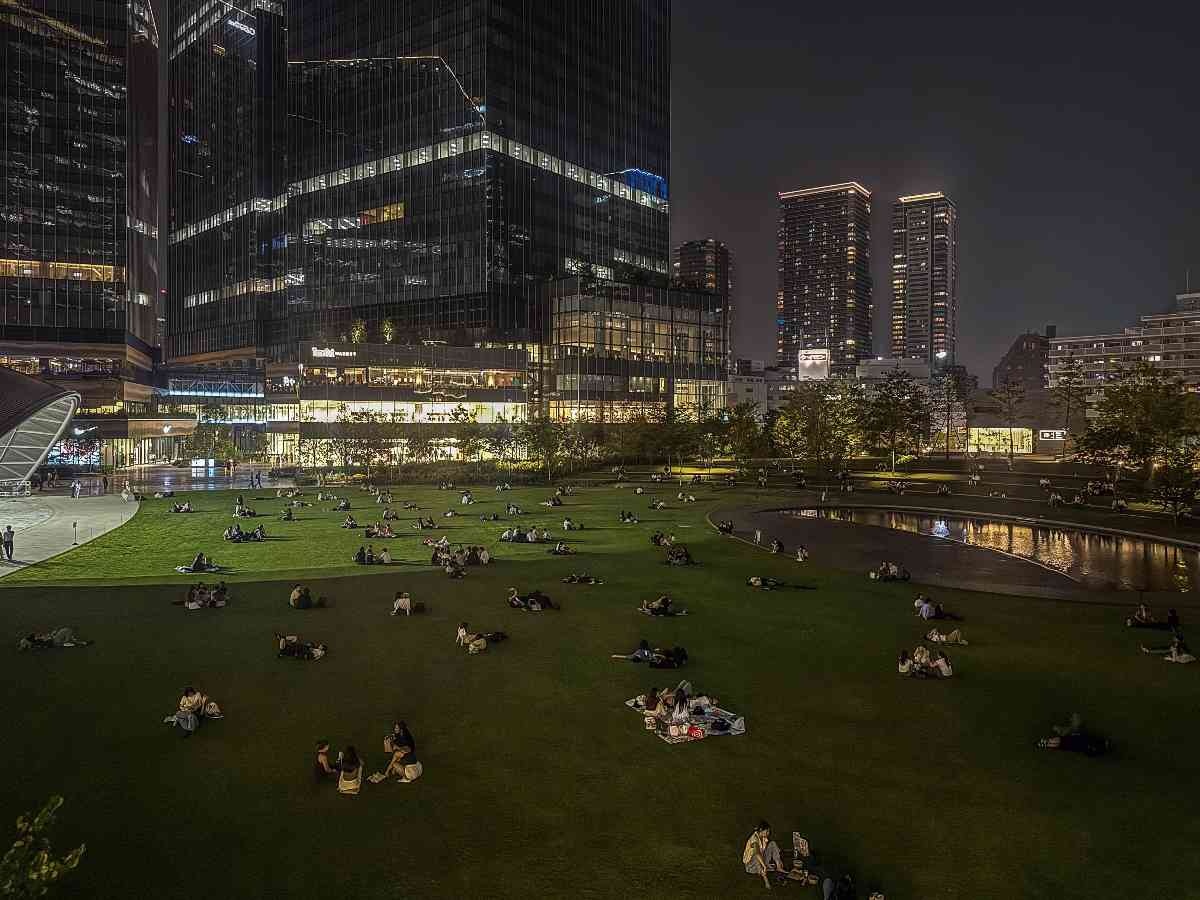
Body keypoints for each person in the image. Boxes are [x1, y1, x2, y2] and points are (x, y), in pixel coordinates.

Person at [742, 821, 783, 888]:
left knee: (772, 843)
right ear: (761, 830)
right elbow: (757, 853)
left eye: (769, 831)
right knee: (756, 856)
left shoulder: (763, 837)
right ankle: (765, 879)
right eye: (767, 831)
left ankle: (779, 867)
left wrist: (778, 860)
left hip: (761, 859)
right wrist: (764, 866)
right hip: (751, 865)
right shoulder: (754, 839)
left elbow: (763, 851)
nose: (768, 833)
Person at [18, 626, 91, 650]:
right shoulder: (68, 632)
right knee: (64, 644)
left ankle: (83, 643)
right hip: (53, 642)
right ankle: (83, 644)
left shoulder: (65, 630)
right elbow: (67, 640)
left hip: (51, 640)